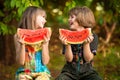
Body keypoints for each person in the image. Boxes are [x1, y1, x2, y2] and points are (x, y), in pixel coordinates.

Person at [56, 6, 102, 80]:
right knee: (61, 78)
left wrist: (86, 44)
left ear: (81, 19)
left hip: (88, 72)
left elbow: (88, 59)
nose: (69, 19)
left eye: (72, 17)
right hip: (69, 72)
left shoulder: (93, 36)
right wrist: (67, 45)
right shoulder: (66, 36)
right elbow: (69, 59)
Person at [14, 6, 51, 80]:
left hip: (42, 72)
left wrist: (44, 44)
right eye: (43, 17)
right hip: (25, 71)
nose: (45, 20)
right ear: (32, 17)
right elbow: (20, 62)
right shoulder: (17, 36)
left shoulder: (44, 36)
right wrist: (22, 45)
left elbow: (45, 61)